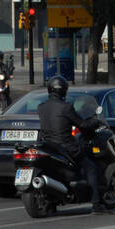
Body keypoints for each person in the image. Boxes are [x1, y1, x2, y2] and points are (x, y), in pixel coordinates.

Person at [37, 75, 104, 211]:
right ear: (63, 91)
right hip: (66, 146)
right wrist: (95, 121)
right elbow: (82, 125)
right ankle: (96, 203)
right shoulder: (66, 107)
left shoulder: (41, 107)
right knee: (90, 166)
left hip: (49, 146)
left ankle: (53, 201)